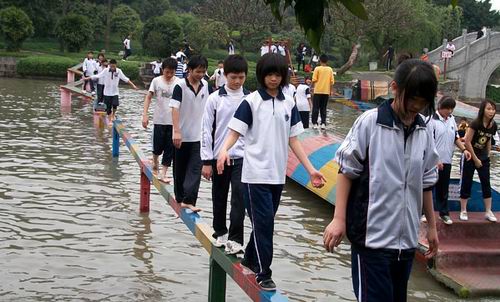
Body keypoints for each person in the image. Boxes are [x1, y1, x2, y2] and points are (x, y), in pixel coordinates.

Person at [323, 59, 440, 302]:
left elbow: (426, 182)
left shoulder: (423, 131)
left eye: (422, 102)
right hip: (371, 241)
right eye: (412, 99)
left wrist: (431, 227)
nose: (416, 107)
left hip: (406, 243)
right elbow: (347, 171)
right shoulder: (370, 123)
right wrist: (338, 219)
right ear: (395, 88)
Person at [216, 53, 325, 291]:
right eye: (269, 74)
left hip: (277, 175)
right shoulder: (251, 102)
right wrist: (224, 151)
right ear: (262, 76)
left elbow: (294, 140)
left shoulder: (289, 103)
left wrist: (311, 170)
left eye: (278, 74)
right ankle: (264, 273)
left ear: (283, 76)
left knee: (264, 222)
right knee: (266, 225)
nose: (273, 79)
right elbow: (235, 131)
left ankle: (250, 259)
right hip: (254, 175)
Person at [201, 55, 250, 254]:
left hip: (242, 157)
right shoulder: (214, 99)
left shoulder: (250, 99)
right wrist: (206, 161)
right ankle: (220, 232)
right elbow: (206, 131)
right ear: (224, 75)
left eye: (241, 77)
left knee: (239, 198)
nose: (237, 81)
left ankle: (236, 239)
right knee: (219, 195)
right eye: (233, 77)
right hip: (219, 156)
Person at [170, 55, 212, 213]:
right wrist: (176, 130)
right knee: (179, 170)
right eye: (198, 72)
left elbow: (210, 107)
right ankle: (180, 199)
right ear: (189, 70)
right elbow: (174, 108)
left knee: (195, 169)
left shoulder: (206, 85)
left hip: (199, 136)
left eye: (203, 72)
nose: (200, 75)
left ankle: (189, 200)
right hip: (182, 135)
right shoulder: (180, 86)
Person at [427, 96, 471, 225]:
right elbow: (428, 142)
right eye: (447, 108)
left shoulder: (451, 120)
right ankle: (423, 213)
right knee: (428, 187)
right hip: (431, 161)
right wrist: (436, 159)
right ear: (440, 106)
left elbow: (456, 138)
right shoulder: (431, 120)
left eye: (452, 109)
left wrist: (464, 150)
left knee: (443, 188)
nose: (450, 111)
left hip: (447, 160)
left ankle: (444, 213)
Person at [460, 99, 498, 222]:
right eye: (488, 109)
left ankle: (488, 211)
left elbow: (488, 140)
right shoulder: (475, 123)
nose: (491, 111)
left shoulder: (493, 125)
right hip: (470, 156)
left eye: (493, 109)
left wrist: (487, 155)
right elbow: (467, 141)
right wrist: (475, 159)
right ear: (483, 110)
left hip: (483, 157)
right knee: (467, 182)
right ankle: (463, 210)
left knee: (486, 183)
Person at [142, 58, 180, 183]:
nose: (169, 75)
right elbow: (148, 97)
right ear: (162, 70)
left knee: (170, 148)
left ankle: (163, 173)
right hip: (159, 119)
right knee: (157, 146)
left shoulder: (179, 83)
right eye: (167, 72)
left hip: (173, 122)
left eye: (172, 72)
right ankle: (155, 160)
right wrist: (145, 115)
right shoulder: (156, 81)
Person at [84, 59, 138, 124]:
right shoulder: (106, 70)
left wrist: (133, 85)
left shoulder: (118, 71)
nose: (112, 68)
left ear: (116, 65)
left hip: (115, 92)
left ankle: (113, 114)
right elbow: (98, 75)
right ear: (109, 65)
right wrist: (88, 78)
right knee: (108, 107)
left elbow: (125, 79)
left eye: (114, 66)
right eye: (111, 66)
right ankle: (110, 120)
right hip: (107, 92)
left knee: (115, 105)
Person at [311, 54, 334, 130]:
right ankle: (323, 123)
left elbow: (314, 79)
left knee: (315, 108)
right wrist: (331, 91)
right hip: (326, 92)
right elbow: (331, 82)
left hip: (317, 91)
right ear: (327, 61)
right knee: (323, 108)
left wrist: (311, 87)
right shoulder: (330, 69)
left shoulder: (317, 69)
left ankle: (314, 123)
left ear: (320, 60)